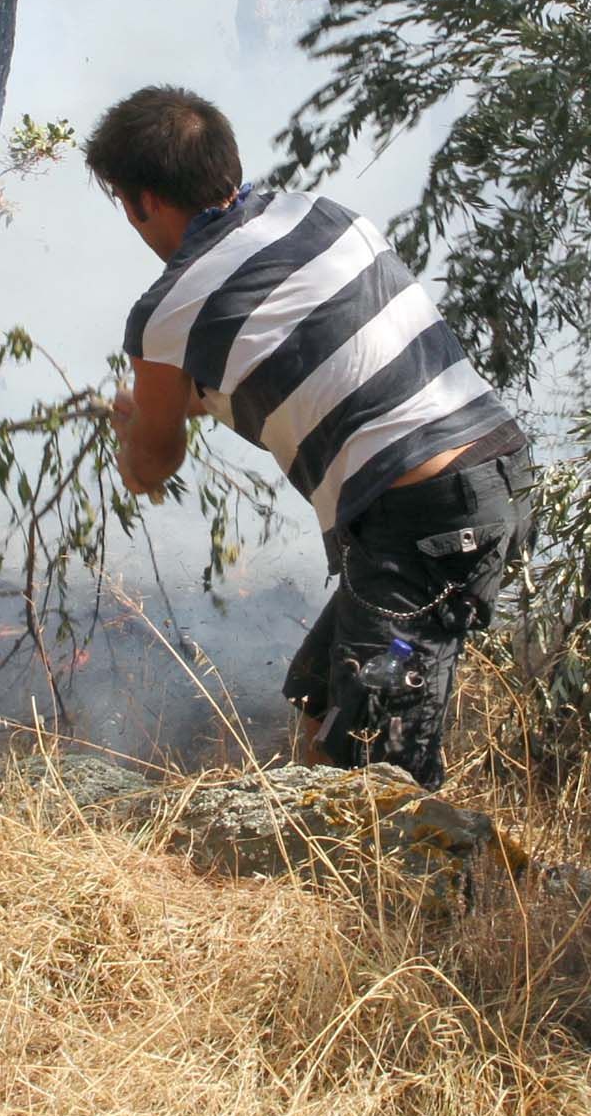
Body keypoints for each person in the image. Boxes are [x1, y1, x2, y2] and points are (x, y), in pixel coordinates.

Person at [92, 85, 531, 792]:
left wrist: (137, 435)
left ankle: (414, 897)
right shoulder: (323, 216)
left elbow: (153, 463)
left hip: (423, 521)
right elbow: (307, 359)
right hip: (487, 473)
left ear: (140, 200)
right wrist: (173, 406)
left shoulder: (169, 310)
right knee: (321, 698)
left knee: (373, 764)